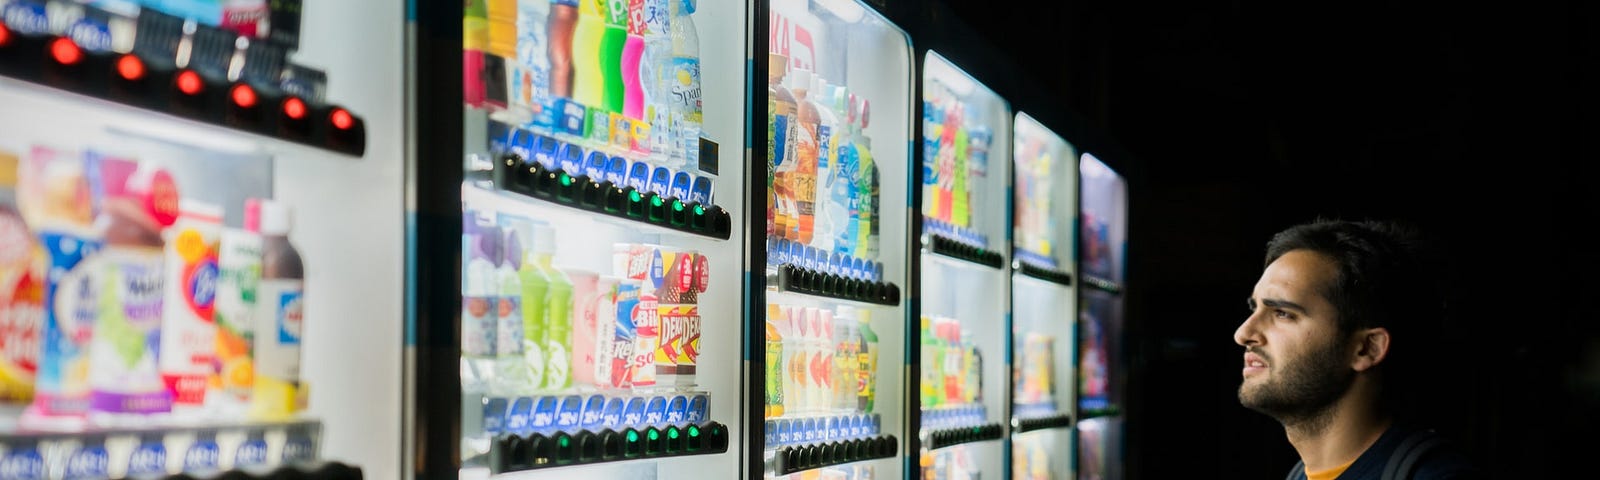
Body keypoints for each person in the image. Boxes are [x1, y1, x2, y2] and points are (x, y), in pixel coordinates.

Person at [1233, 218, 1482, 480]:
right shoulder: (1300, 475)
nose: (1243, 334)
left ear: (1366, 348)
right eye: (1254, 308)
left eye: (1282, 313)